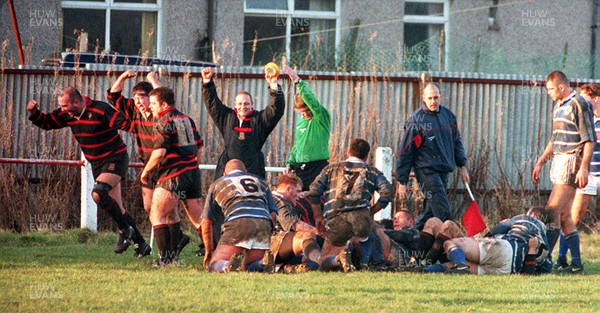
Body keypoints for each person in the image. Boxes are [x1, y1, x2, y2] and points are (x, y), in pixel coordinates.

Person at [27, 87, 150, 255]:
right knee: (118, 208)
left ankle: (124, 229)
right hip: (97, 163)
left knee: (98, 193)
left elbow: (128, 125)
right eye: (61, 107)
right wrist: (34, 112)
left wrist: (149, 122)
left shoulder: (100, 110)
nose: (62, 110)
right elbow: (47, 122)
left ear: (77, 102)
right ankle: (141, 245)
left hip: (116, 158)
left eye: (64, 106)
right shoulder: (67, 114)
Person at [107, 70, 199, 258]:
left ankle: (170, 252)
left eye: (142, 97)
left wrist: (153, 79)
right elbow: (112, 96)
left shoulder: (161, 114)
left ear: (152, 99)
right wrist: (123, 77)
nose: (138, 101)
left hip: (167, 167)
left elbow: (165, 97)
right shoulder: (135, 113)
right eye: (135, 98)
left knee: (167, 211)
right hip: (150, 168)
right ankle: (177, 241)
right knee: (151, 208)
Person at [532, 71, 595, 274]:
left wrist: (583, 166)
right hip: (558, 160)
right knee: (565, 217)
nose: (548, 93)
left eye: (550, 89)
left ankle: (544, 261)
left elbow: (588, 139)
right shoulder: (558, 106)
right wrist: (541, 160)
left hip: (571, 160)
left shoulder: (579, 103)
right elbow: (555, 138)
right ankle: (576, 264)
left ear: (561, 87)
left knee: (551, 212)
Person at [140, 87, 204, 266]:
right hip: (192, 172)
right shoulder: (186, 119)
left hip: (173, 174)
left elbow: (159, 153)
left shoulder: (163, 122)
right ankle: (214, 252)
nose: (150, 107)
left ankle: (166, 259)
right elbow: (199, 147)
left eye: (153, 104)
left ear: (164, 104)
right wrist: (192, 166)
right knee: (189, 216)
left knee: (157, 214)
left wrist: (145, 172)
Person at [308, 138, 393, 272]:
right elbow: (387, 192)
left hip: (336, 219)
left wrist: (318, 216)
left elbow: (313, 192)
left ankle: (337, 259)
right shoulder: (372, 172)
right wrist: (371, 212)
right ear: (365, 157)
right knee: (370, 231)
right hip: (361, 220)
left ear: (348, 152)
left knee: (324, 262)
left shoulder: (330, 169)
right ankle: (367, 263)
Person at [395, 82, 470, 230]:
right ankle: (452, 245)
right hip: (427, 171)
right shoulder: (417, 121)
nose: (433, 101)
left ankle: (412, 238)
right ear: (423, 99)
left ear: (440, 97)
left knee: (430, 212)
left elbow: (456, 142)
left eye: (435, 97)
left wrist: (462, 166)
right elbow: (406, 151)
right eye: (429, 98)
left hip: (443, 170)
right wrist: (402, 181)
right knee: (443, 212)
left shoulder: (448, 116)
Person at [201, 66, 285, 179]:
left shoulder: (260, 120)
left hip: (253, 173)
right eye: (240, 104)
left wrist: (274, 86)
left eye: (246, 104)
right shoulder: (227, 117)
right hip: (228, 172)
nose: (243, 107)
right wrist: (207, 82)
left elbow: (276, 109)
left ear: (252, 105)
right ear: (235, 105)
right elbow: (212, 103)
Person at [201, 159, 278, 273]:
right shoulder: (260, 181)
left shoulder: (218, 183)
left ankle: (226, 266)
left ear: (224, 174)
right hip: (263, 221)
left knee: (214, 264)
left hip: (238, 220)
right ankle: (261, 264)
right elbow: (273, 215)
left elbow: (207, 221)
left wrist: (209, 251)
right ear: (245, 171)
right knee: (248, 266)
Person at [427, 207, 551, 275]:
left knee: (451, 243)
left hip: (504, 250)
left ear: (533, 214)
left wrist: (486, 237)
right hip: (506, 270)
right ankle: (425, 271)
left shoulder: (527, 219)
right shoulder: (546, 248)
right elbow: (534, 273)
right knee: (450, 266)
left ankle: (428, 265)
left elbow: (500, 228)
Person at [555, 83, 600, 272]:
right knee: (574, 217)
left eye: (585, 97)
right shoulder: (585, 118)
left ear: (595, 98)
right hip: (588, 173)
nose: (581, 101)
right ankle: (562, 259)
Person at [282, 65, 331, 190]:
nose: (305, 114)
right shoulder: (300, 122)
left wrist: (297, 80)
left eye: (307, 111)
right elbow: (298, 145)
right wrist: (290, 163)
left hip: (317, 168)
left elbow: (312, 101)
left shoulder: (320, 117)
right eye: (302, 112)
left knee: (315, 201)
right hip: (301, 169)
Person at [270, 173, 322, 272]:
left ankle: (291, 267)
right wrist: (320, 232)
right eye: (298, 191)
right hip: (271, 244)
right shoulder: (278, 200)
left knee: (308, 256)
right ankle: (321, 261)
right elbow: (291, 223)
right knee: (306, 236)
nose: (299, 196)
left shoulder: (274, 198)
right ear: (288, 189)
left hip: (272, 245)